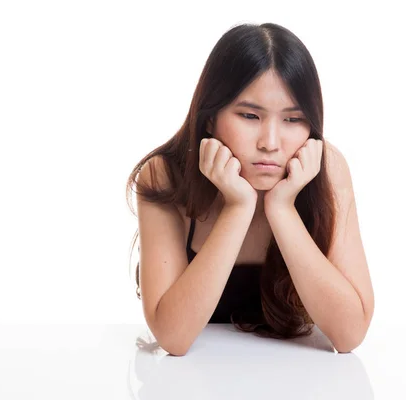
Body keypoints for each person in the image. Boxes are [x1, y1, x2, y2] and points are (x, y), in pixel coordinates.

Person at [126, 22, 374, 356]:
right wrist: (237, 208)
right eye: (249, 115)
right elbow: (173, 337)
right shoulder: (164, 175)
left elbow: (350, 335)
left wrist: (282, 210)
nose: (270, 143)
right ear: (210, 117)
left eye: (292, 119)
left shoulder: (328, 170)